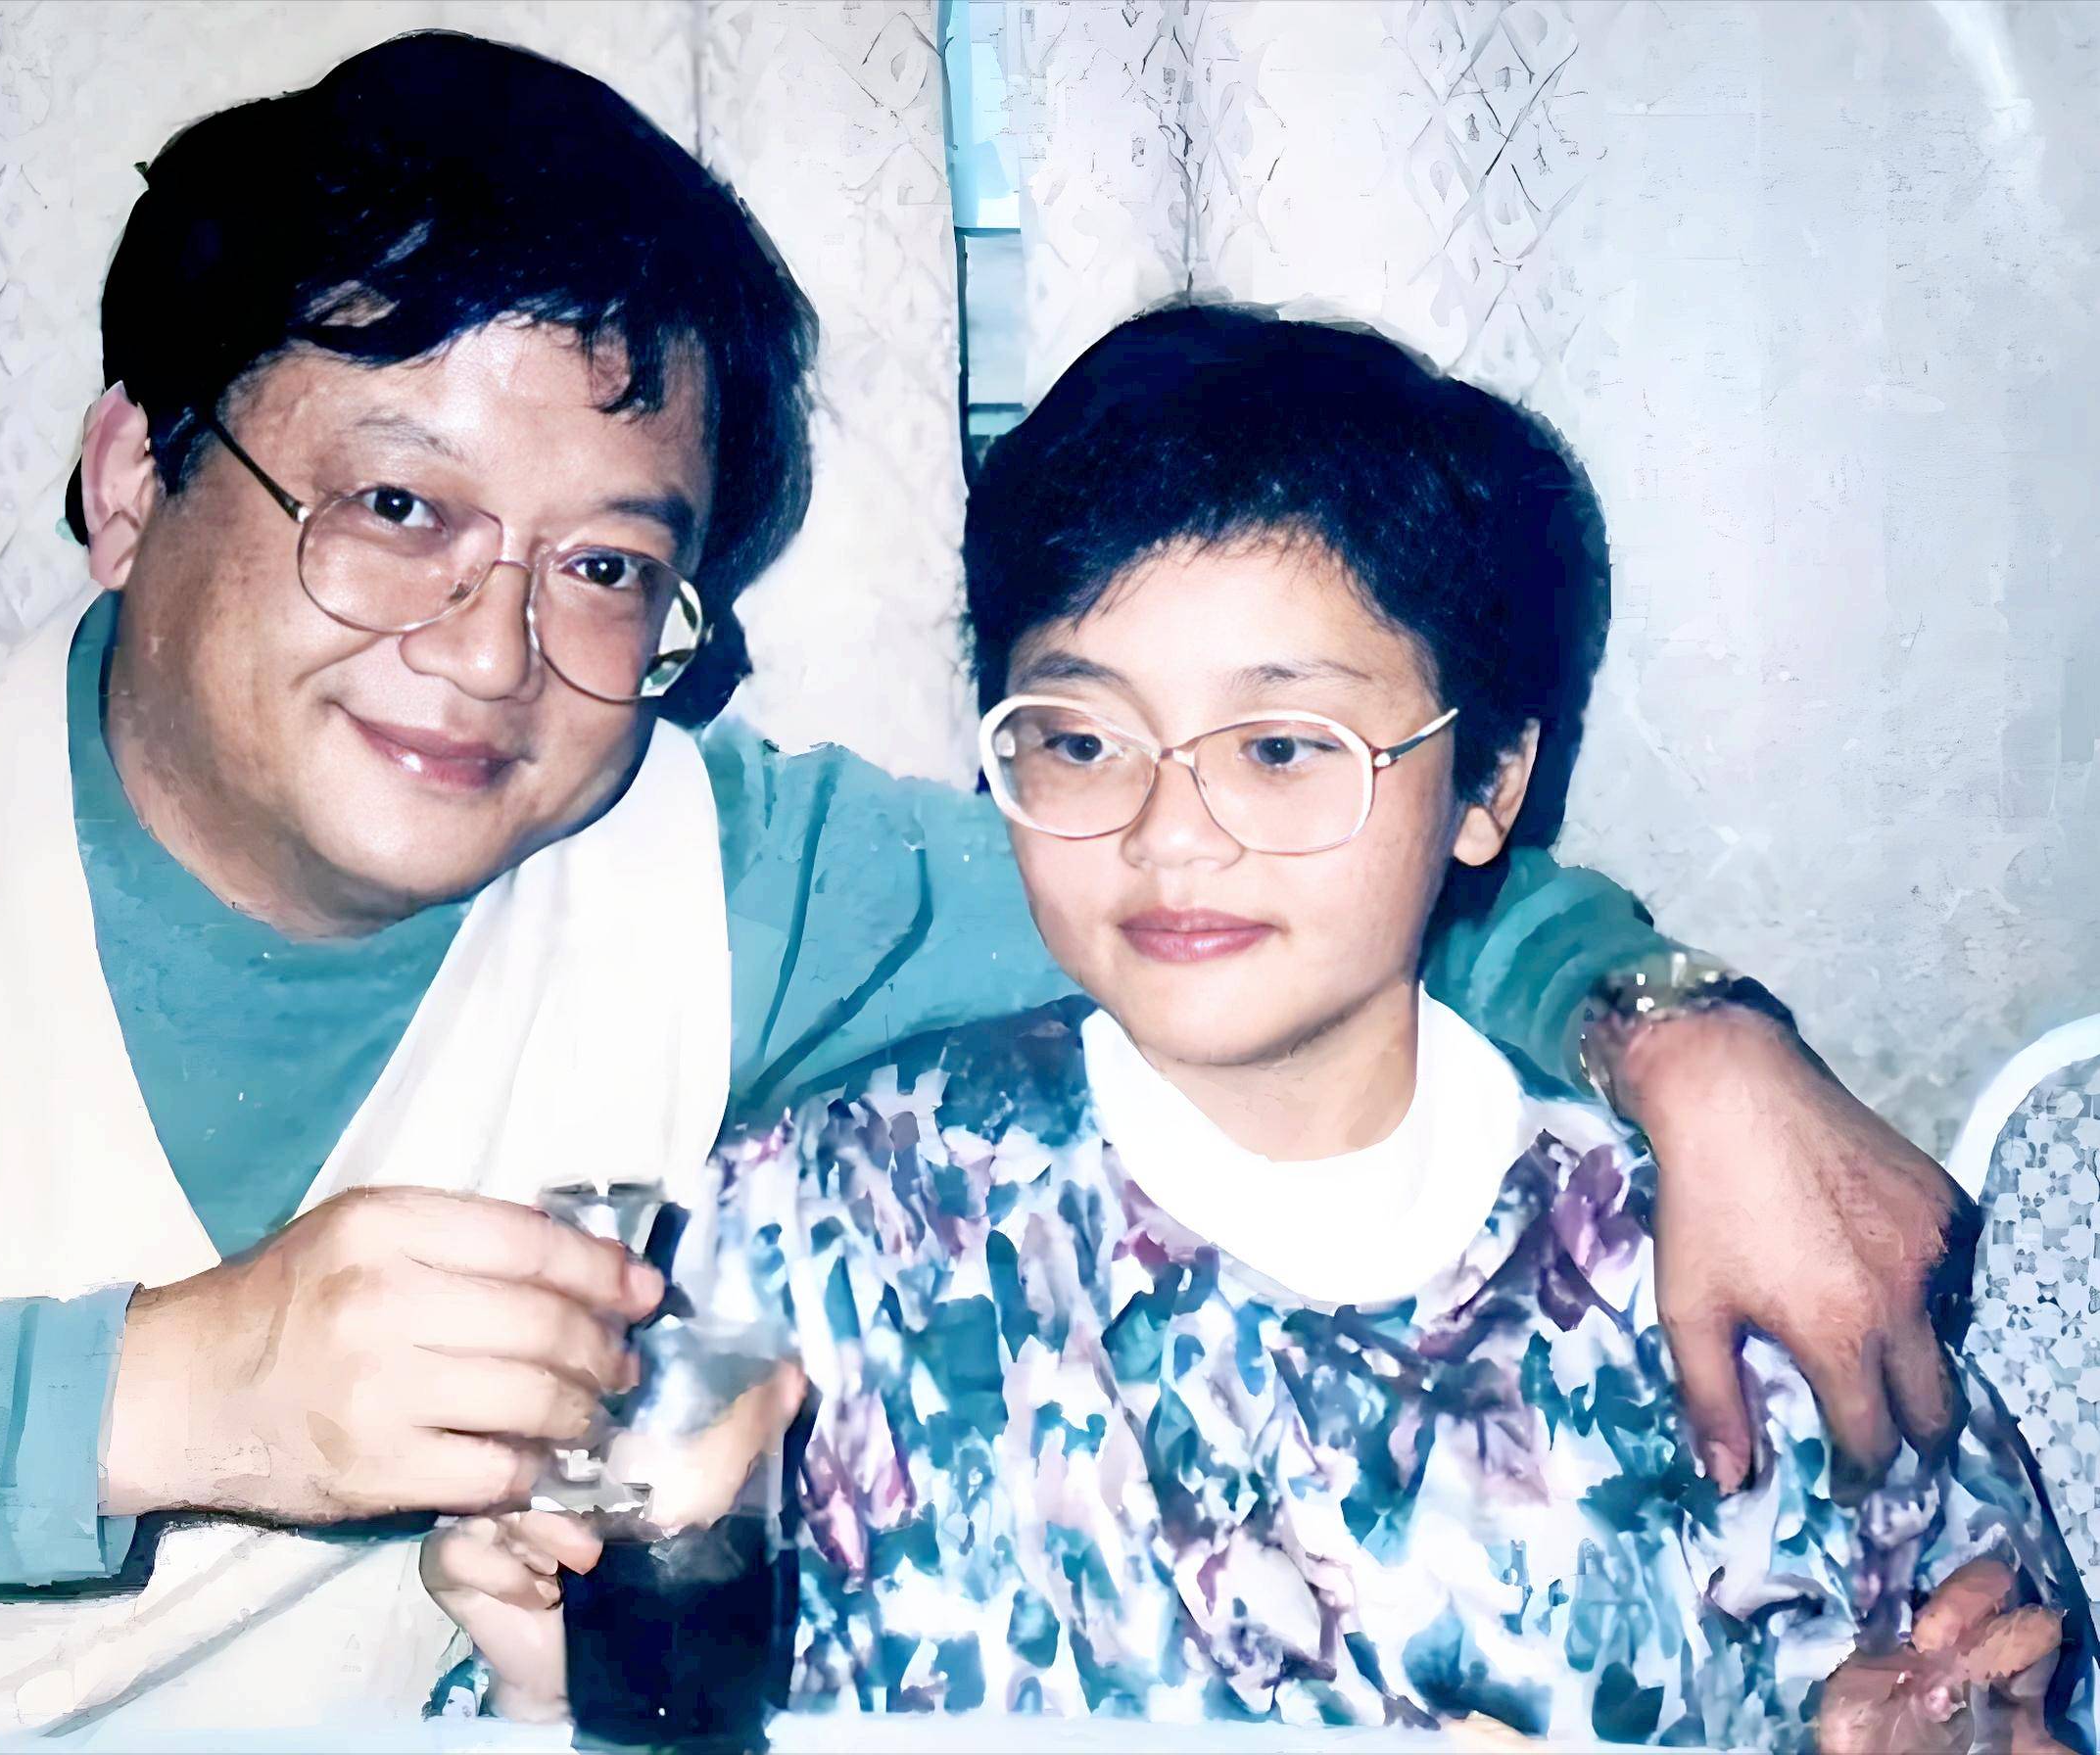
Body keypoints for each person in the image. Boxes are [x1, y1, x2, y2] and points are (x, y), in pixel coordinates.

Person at [0, 28, 1983, 1749]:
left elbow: (1231, 871)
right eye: (396, 504)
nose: (490, 651)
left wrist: (1677, 1034)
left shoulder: (710, 860)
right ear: (129, 473)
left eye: (606, 567)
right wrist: (182, 1385)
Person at [425, 306, 2095, 1750]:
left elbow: (1956, 1678)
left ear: (1486, 783)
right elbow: (625, 1676)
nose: (1169, 834)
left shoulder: (1716, 1254)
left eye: (1282, 748)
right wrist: (545, 1694)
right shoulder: (807, 1236)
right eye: (1080, 739)